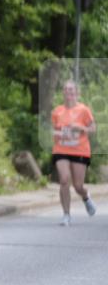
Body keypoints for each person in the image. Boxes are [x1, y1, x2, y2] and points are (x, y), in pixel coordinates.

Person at [51, 79, 97, 226]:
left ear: (77, 93)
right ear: (63, 93)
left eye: (72, 90)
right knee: (64, 180)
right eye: (66, 90)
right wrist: (58, 134)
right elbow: (53, 130)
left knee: (78, 186)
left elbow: (93, 129)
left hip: (80, 150)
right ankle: (66, 215)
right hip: (61, 149)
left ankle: (86, 197)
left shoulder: (84, 110)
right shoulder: (57, 111)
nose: (69, 93)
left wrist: (81, 128)